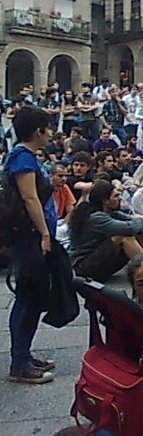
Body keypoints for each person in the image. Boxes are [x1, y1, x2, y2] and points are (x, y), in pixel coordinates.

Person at [5, 106, 57, 384]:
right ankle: (20, 362)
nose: (49, 133)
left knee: (33, 296)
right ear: (38, 131)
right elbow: (30, 198)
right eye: (47, 128)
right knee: (27, 296)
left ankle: (23, 354)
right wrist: (44, 234)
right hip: (28, 238)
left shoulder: (24, 157)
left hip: (30, 236)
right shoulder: (23, 158)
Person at [69, 180, 143, 282]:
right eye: (116, 196)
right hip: (84, 267)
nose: (120, 199)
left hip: (98, 260)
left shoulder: (112, 212)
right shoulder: (96, 217)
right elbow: (131, 228)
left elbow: (136, 222)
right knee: (123, 237)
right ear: (105, 201)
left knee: (141, 231)